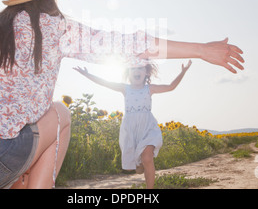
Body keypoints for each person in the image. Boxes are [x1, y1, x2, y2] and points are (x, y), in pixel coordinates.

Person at [0, 0, 244, 189]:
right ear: (50, 0)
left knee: (21, 129)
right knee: (61, 114)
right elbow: (129, 44)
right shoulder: (51, 27)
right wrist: (201, 49)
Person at [74, 60, 192, 189]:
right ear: (128, 73)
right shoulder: (125, 88)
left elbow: (170, 86)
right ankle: (139, 163)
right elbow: (104, 83)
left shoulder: (150, 89)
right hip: (131, 130)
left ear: (146, 72)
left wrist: (183, 72)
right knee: (138, 169)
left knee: (147, 158)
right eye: (133, 69)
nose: (136, 71)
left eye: (140, 68)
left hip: (148, 127)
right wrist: (87, 74)